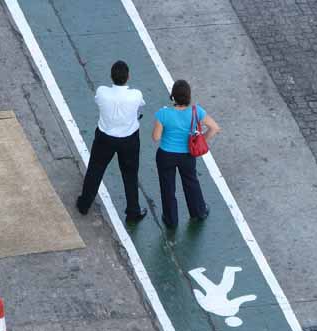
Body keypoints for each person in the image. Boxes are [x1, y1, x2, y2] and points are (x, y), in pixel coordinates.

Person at [77, 60, 147, 223]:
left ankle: (84, 204)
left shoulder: (102, 92)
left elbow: (98, 101)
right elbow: (140, 107)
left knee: (95, 169)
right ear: (128, 77)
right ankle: (133, 211)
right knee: (130, 174)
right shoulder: (136, 95)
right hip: (129, 139)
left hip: (104, 138)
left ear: (111, 76)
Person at [152, 79, 220, 228]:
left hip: (166, 155)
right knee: (191, 182)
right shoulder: (197, 111)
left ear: (173, 97)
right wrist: (202, 139)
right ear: (188, 96)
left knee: (167, 187)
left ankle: (171, 219)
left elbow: (156, 137)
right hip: (187, 155)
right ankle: (199, 211)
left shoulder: (163, 114)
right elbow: (214, 128)